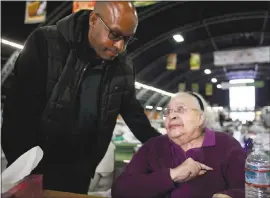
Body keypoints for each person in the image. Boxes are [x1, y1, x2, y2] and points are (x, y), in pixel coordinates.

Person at [1, 1, 160, 194]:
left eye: (127, 40)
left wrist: (167, 149)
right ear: (94, 20)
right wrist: (23, 172)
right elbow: (18, 113)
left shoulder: (122, 65)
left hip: (80, 171)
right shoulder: (46, 43)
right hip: (36, 168)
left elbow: (134, 113)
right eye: (115, 35)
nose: (119, 46)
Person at [112, 92, 246, 198]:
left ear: (200, 118)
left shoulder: (226, 145)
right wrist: (172, 175)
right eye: (168, 112)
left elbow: (249, 189)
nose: (172, 116)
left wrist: (230, 195)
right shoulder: (153, 146)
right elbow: (120, 190)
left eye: (180, 110)